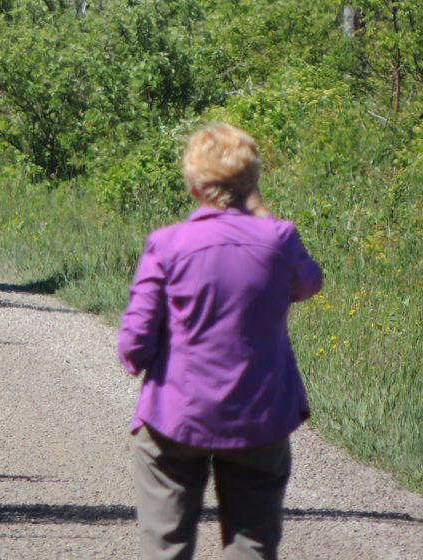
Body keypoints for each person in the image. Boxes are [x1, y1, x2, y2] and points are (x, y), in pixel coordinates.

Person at [117, 122, 323, 560]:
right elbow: (308, 284)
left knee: (166, 542)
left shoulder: (168, 244)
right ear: (252, 182)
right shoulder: (280, 238)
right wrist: (262, 215)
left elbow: (135, 339)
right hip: (259, 413)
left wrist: (140, 362)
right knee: (252, 542)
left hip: (177, 412)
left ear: (195, 184)